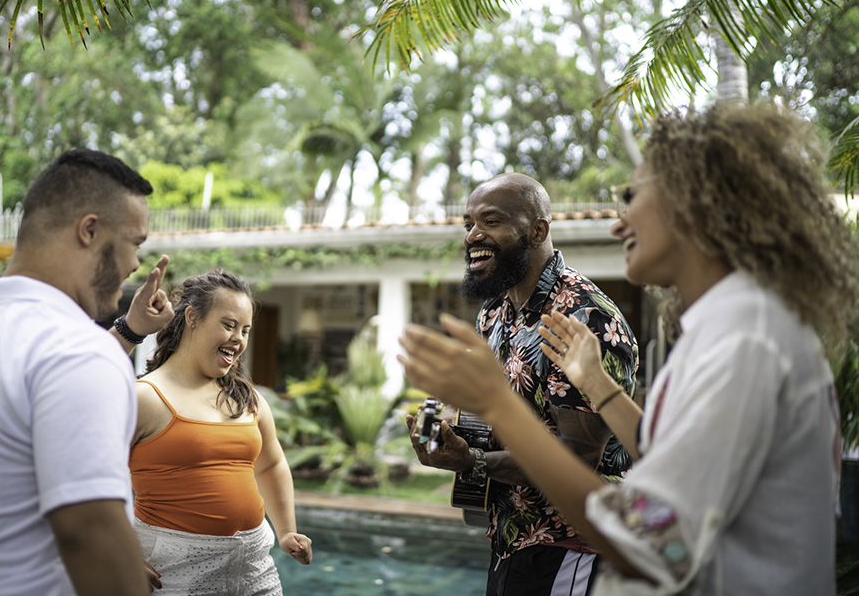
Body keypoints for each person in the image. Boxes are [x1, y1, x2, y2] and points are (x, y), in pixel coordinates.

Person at [400, 102, 859, 595]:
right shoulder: (733, 330)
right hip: (510, 540)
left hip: (564, 554)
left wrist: (497, 406)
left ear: (697, 204)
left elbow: (652, 534)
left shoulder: (747, 344)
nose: (619, 224)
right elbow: (669, 457)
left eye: (632, 196)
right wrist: (597, 383)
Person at [406, 173, 638, 596]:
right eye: (468, 223)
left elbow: (576, 461)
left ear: (538, 230)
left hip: (572, 546)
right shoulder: (495, 312)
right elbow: (504, 414)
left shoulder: (583, 316)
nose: (473, 235)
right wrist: (447, 431)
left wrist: (471, 460)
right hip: (509, 537)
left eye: (491, 221)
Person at [0, 149, 174, 596]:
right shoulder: (79, 351)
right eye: (135, 242)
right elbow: (88, 535)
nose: (136, 263)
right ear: (90, 230)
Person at [130, 269, 312, 595]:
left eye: (246, 330)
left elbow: (270, 465)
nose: (239, 338)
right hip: (175, 572)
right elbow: (95, 479)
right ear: (192, 318)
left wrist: (286, 531)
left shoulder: (247, 399)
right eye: (229, 325)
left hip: (254, 568)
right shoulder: (145, 397)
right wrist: (121, 550)